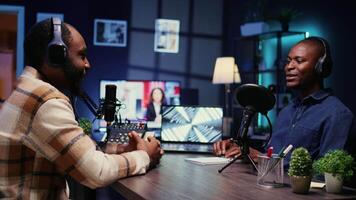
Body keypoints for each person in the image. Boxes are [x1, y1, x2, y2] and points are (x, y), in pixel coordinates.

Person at [0, 18, 163, 199]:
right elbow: (96, 173)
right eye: (82, 55)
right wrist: (145, 155)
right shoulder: (45, 101)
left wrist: (119, 151)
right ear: (56, 56)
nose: (88, 65)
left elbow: (75, 152)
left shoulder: (27, 90)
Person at [213, 37, 354, 167]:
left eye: (299, 61)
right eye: (288, 61)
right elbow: (271, 152)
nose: (289, 67)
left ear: (320, 67)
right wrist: (242, 151)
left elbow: (328, 173)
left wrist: (263, 158)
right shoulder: (288, 110)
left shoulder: (337, 114)